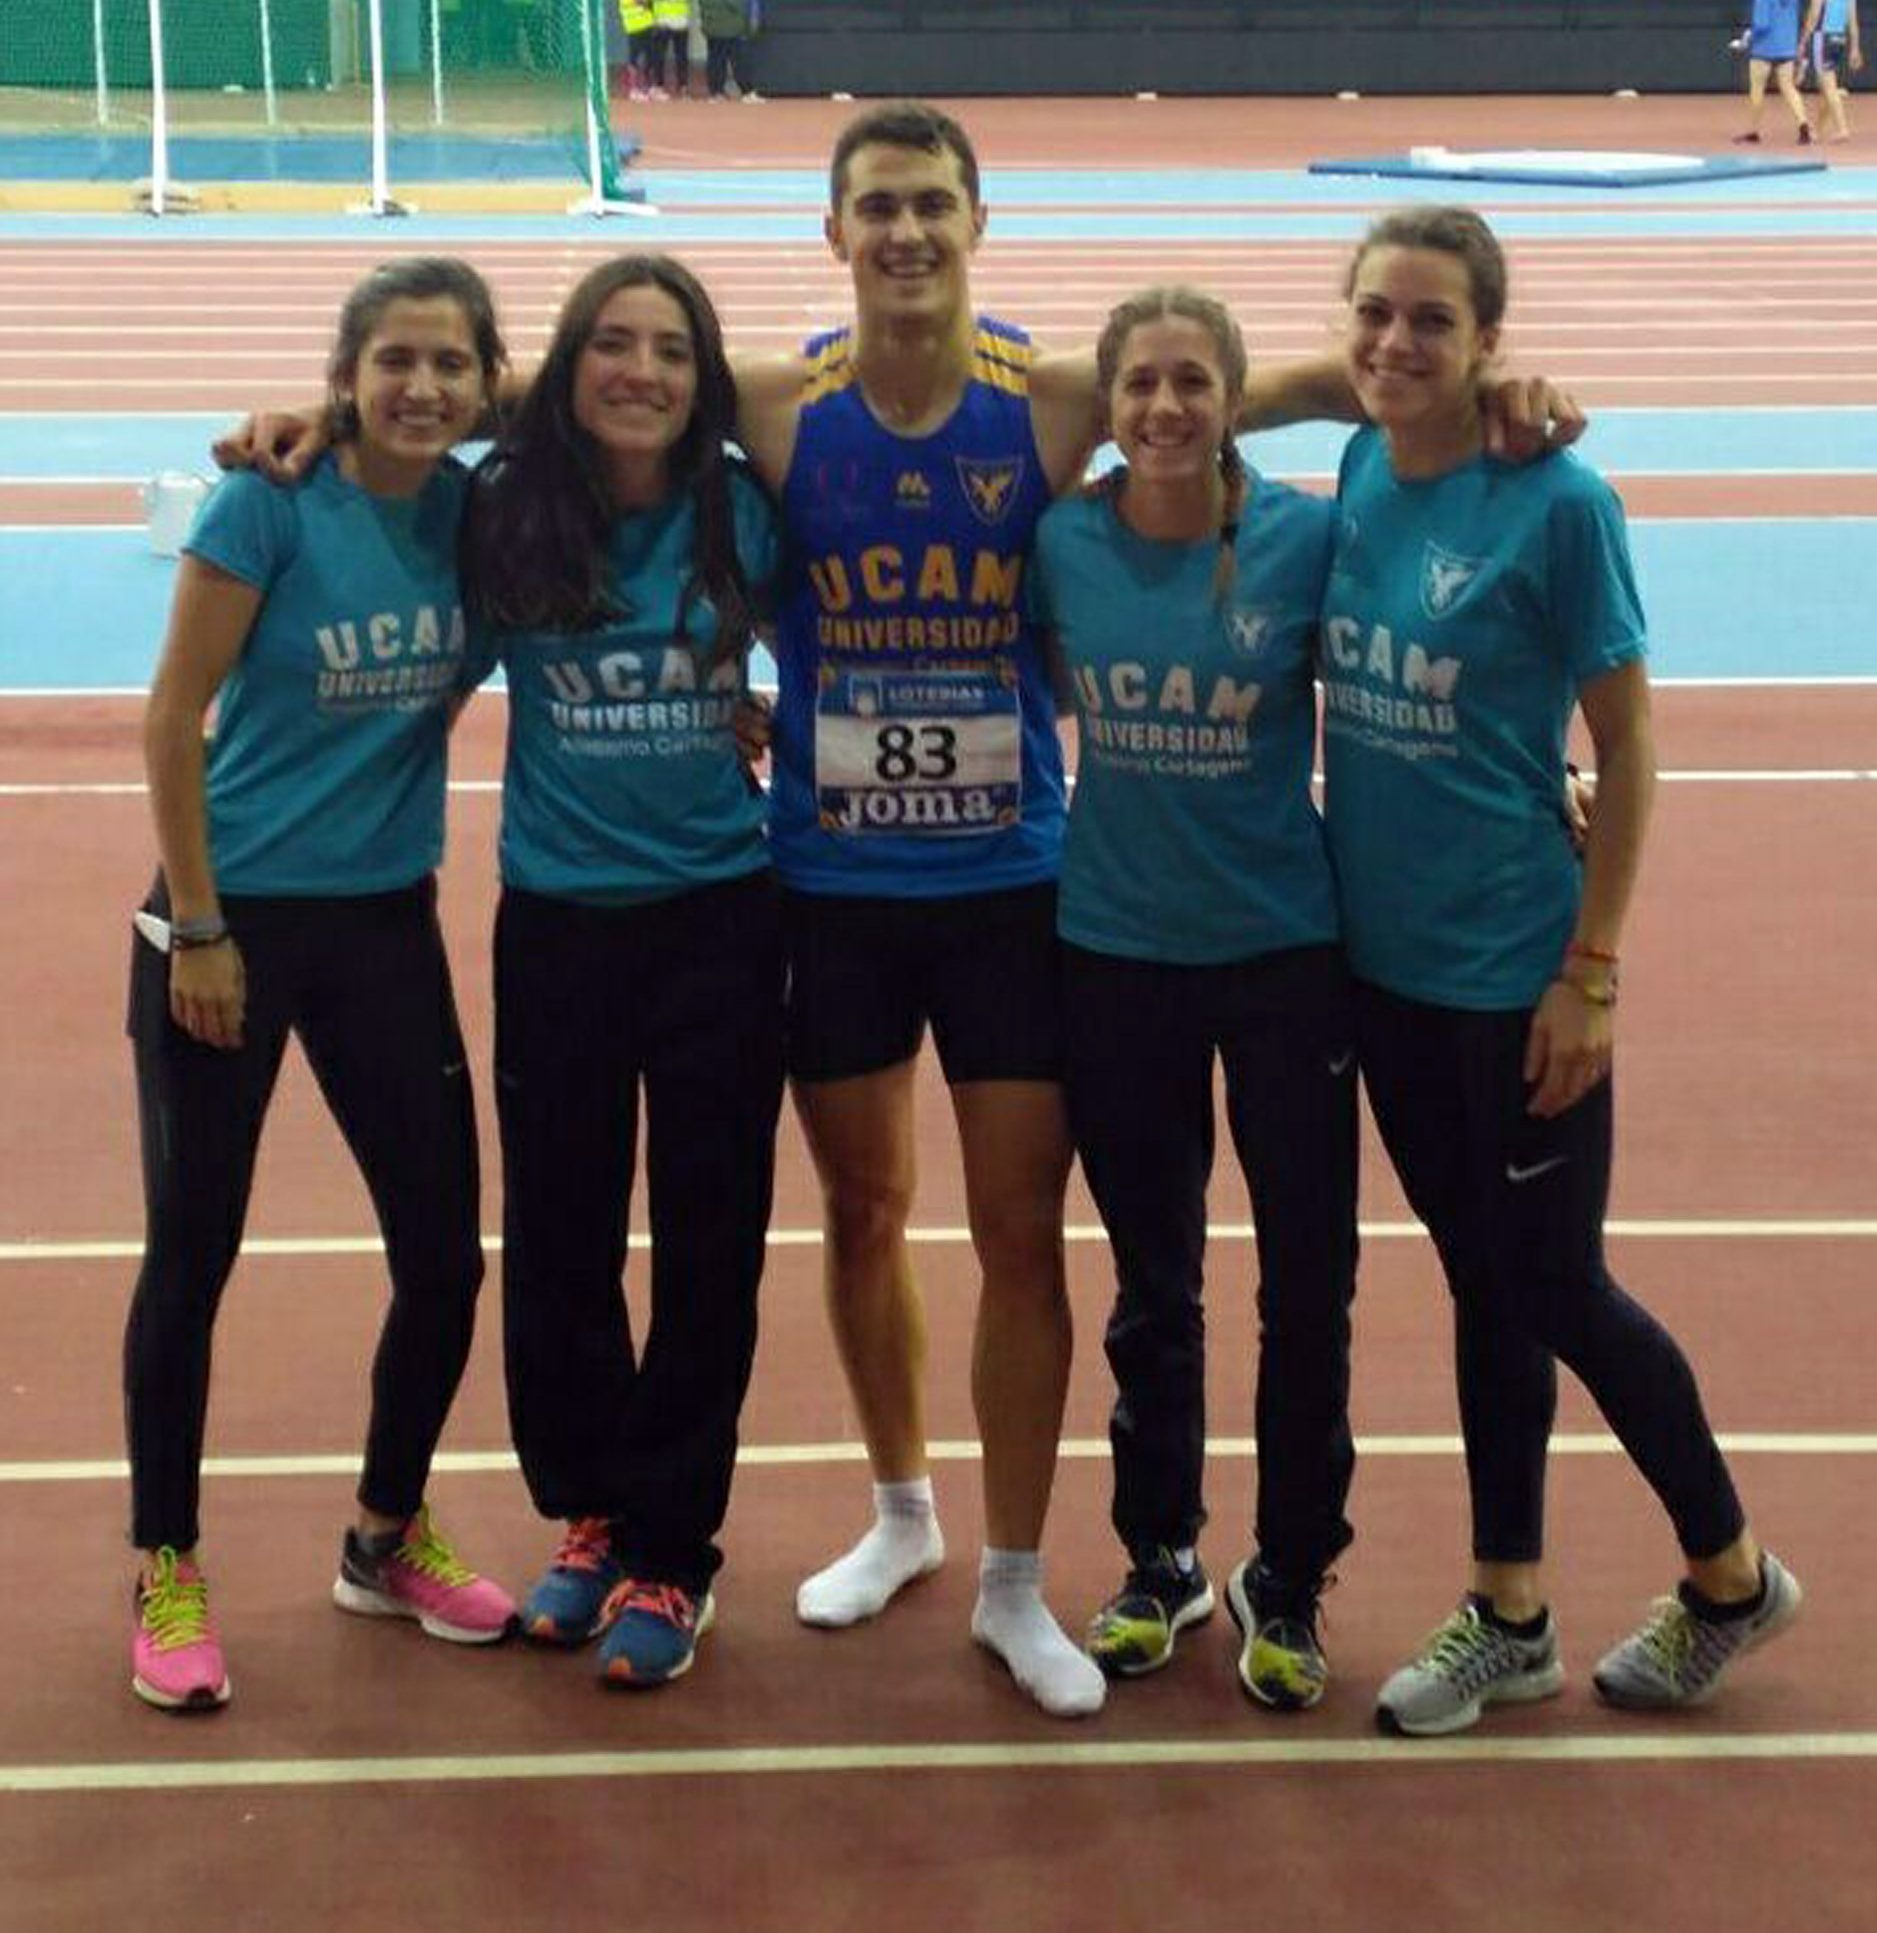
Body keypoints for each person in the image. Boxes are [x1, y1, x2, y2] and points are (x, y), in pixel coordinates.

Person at [212, 100, 1580, 1719]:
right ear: (836, 234)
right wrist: (342, 403)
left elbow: (1258, 382)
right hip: (830, 889)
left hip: (1011, 888)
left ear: (978, 220)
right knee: (857, 1217)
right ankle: (899, 1515)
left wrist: (1479, 382)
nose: (906, 232)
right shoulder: (784, 406)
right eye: (876, 207)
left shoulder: (1050, 394)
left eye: (931, 203)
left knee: (1017, 1232)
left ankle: (1013, 1580)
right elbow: (571, 373)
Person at [1316, 205, 1801, 1736]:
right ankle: (1508, 1608)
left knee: (1551, 1281)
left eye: (1433, 323)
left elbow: (1634, 743)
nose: (1397, 344)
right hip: (1381, 975)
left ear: (1489, 344)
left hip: (1517, 971)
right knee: (1484, 1287)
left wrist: (1592, 967)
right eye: (1375, 314)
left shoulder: (1558, 501)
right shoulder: (1348, 468)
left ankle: (1728, 1573)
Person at [125, 258, 516, 1712]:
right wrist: (204, 928)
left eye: (452, 366)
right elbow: (173, 724)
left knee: (442, 1253)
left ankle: (384, 1529)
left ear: (486, 384)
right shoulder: (267, 504)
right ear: (346, 373)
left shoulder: (479, 519)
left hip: (381, 926)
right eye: (395, 361)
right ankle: (166, 1560)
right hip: (230, 922)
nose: (422, 388)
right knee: (195, 1251)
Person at [1027, 289, 1358, 1708]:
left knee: (1309, 1284)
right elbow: (1037, 683)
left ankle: (1287, 1574)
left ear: (1235, 397)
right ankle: (1158, 1554)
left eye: (1192, 384)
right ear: (1108, 406)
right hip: (1115, 954)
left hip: (1285, 955)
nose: (1164, 408)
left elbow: (1410, 705)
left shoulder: (1308, 538)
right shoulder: (1060, 544)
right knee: (1152, 1285)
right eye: (1139, 386)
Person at [460, 255, 785, 1690]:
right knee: (563, 1232)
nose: (638, 372)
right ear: (566, 366)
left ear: (700, 377)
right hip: (561, 922)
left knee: (710, 1237)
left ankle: (675, 1545)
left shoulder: (746, 512)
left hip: (721, 918)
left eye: (666, 349)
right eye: (610, 345)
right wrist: (299, 417)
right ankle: (592, 1505)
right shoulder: (506, 512)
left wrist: (763, 703)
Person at [1731, 0, 1809, 145]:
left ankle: (1754, 131)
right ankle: (1803, 126)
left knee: (1757, 89)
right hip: (1786, 48)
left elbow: (1762, 25)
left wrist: (1746, 39)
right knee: (1789, 88)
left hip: (1764, 49)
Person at [1798, 0, 1862, 144]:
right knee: (1825, 86)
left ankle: (1842, 129)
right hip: (1839, 39)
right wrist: (1854, 48)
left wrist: (1803, 39)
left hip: (1823, 38)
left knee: (1828, 86)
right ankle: (1817, 130)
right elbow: (1852, 20)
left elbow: (1815, 13)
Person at [699, 0, 761, 102]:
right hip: (730, 30)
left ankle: (716, 93)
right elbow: (736, 2)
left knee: (716, 62)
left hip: (713, 30)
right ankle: (747, 93)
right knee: (738, 62)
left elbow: (702, 4)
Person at [646, 0, 699, 99]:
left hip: (681, 21)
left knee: (682, 57)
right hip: (662, 20)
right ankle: (658, 86)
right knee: (658, 56)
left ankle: (683, 87)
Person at [616, 0, 658, 101]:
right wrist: (647, 0)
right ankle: (634, 89)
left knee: (651, 55)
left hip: (647, 21)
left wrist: (649, 1)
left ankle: (650, 87)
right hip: (634, 23)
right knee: (634, 57)